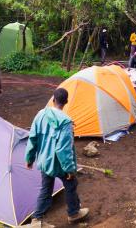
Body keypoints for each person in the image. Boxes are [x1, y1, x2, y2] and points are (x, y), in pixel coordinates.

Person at [26, 88, 89, 226]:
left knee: (46, 189)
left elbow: (32, 138)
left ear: (53, 99)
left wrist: (29, 158)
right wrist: (70, 169)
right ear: (66, 102)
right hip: (59, 164)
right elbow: (63, 149)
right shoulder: (65, 122)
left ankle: (36, 218)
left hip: (44, 161)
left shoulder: (41, 114)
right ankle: (73, 213)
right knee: (71, 184)